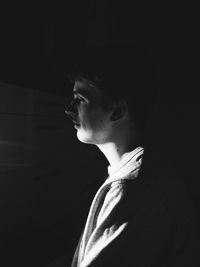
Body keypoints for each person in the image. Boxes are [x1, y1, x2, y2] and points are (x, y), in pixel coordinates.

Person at [65, 45, 200, 267]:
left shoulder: (131, 189)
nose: (69, 109)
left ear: (117, 111)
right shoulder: (138, 169)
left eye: (80, 99)